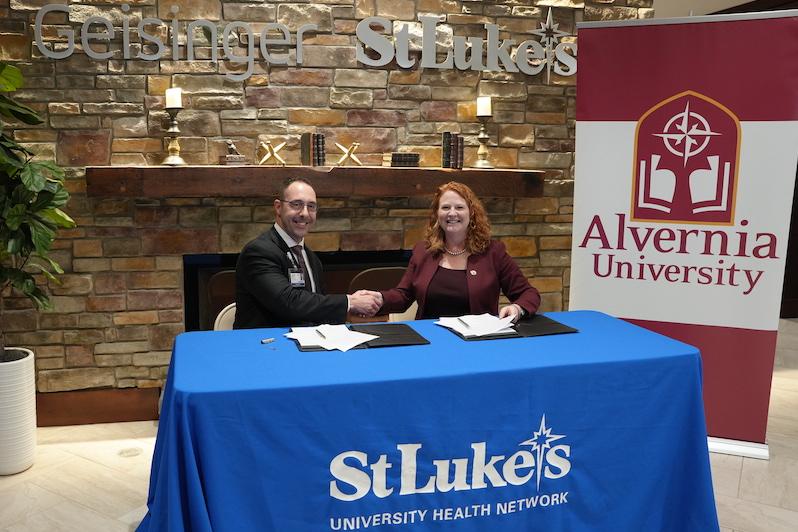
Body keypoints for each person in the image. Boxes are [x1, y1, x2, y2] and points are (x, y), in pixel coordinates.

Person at [366, 181, 540, 321]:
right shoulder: (423, 251)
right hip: (430, 341)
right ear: (437, 214)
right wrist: (379, 298)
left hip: (476, 344)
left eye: (459, 207)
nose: (452, 213)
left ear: (471, 213)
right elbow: (404, 296)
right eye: (445, 207)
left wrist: (517, 309)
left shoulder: (494, 252)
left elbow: (528, 293)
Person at [234, 177, 380, 329]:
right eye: (296, 204)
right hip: (265, 346)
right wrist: (350, 302)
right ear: (278, 207)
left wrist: (353, 312)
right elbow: (289, 302)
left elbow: (316, 307)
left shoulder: (311, 257)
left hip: (308, 345)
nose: (305, 213)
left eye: (311, 206)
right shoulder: (259, 252)